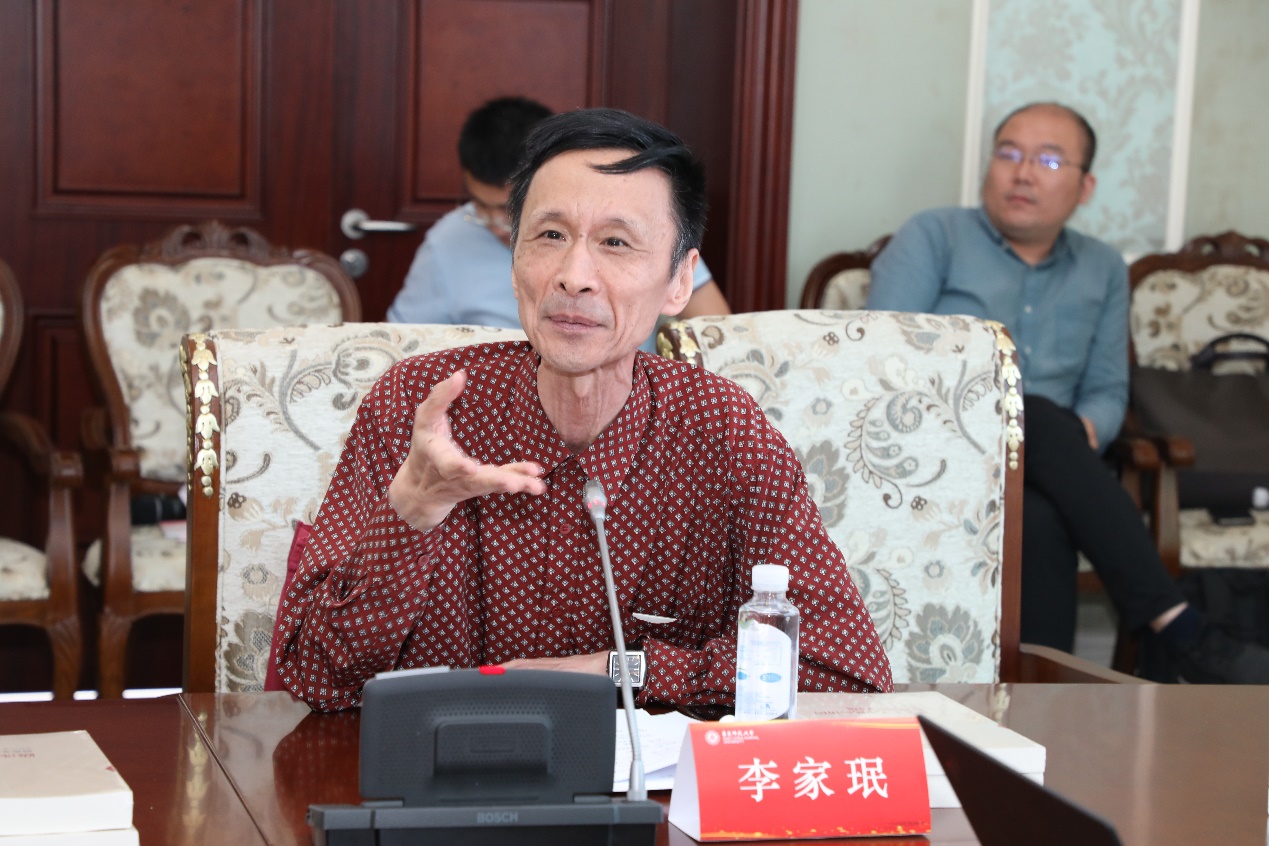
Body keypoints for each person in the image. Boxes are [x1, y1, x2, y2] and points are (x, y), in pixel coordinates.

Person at [276, 107, 892, 712]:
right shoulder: (419, 408)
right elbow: (314, 674)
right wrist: (411, 511)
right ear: (514, 262)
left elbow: (845, 667)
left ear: (680, 281)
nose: (574, 276)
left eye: (616, 242)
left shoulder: (721, 428)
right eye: (550, 236)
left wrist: (622, 669)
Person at [867, 102, 1269, 683]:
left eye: (1049, 160)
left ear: (1085, 187)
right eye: (1008, 153)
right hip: (943, 448)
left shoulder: (1102, 267)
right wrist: (1039, 428)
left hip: (1049, 471)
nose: (1023, 172)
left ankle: (1038, 704)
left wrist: (1076, 434)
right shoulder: (933, 235)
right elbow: (882, 362)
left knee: (1041, 512)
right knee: (1029, 410)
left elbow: (1106, 388)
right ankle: (1175, 624)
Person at [386, 96, 731, 351]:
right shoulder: (447, 241)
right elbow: (398, 345)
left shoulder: (639, 224)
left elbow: (718, 330)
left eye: (509, 210)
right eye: (481, 206)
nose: (499, 225)